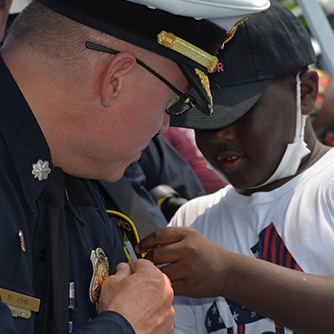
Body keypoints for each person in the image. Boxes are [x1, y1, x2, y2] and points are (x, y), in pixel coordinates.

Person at [0, 0, 273, 333]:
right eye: (175, 101)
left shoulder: (74, 182)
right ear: (116, 78)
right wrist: (126, 325)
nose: (165, 126)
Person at [136, 1, 334, 333]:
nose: (221, 134)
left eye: (240, 114)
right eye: (203, 120)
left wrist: (230, 276)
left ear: (306, 92)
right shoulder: (193, 221)